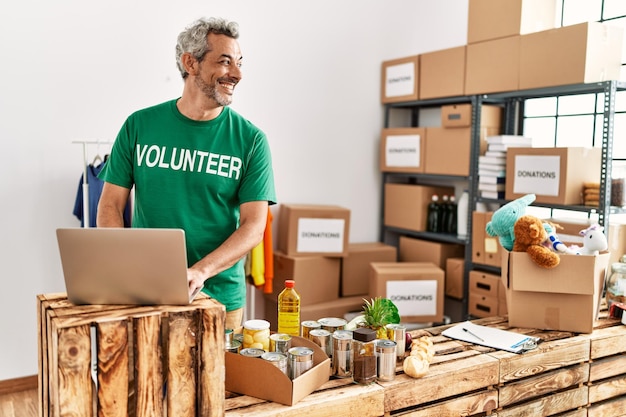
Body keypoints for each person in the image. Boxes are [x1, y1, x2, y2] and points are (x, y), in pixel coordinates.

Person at [96, 17, 276, 331]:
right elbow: (110, 205)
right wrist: (123, 267)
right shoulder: (139, 126)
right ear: (190, 62)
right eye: (224, 62)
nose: (237, 74)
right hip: (147, 293)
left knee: (215, 382)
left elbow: (253, 226)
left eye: (239, 63)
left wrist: (200, 271)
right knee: (147, 380)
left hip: (218, 298)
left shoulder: (251, 140)